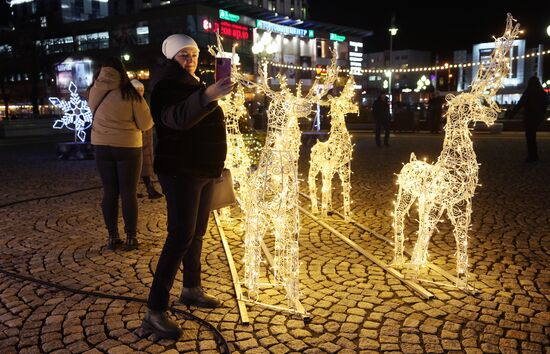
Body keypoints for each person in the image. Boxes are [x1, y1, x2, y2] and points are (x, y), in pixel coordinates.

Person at [141, 34, 232, 340]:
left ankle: (191, 288)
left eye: (193, 54)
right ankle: (155, 309)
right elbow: (176, 119)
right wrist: (207, 96)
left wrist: (210, 93)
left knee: (196, 233)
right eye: (183, 55)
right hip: (181, 171)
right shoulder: (165, 86)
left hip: (204, 170)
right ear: (170, 58)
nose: (190, 59)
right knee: (179, 236)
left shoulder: (194, 82)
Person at [89, 57, 154, 250]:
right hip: (128, 147)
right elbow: (146, 123)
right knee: (128, 192)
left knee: (109, 191)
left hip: (101, 145)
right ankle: (131, 237)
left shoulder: (93, 91)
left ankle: (112, 237)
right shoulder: (130, 93)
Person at [130, 79, 163, 199]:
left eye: (141, 90)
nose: (140, 92)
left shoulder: (143, 101)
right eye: (138, 90)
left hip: (145, 138)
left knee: (144, 166)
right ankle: (142, 190)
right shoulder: (132, 103)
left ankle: (148, 189)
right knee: (136, 166)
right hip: (137, 138)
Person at [509, 76, 549, 162]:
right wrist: (542, 114)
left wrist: (511, 114)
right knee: (532, 136)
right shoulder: (542, 92)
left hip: (529, 117)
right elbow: (546, 103)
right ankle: (534, 155)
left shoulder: (528, 92)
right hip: (538, 118)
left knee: (530, 137)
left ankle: (532, 156)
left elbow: (520, 104)